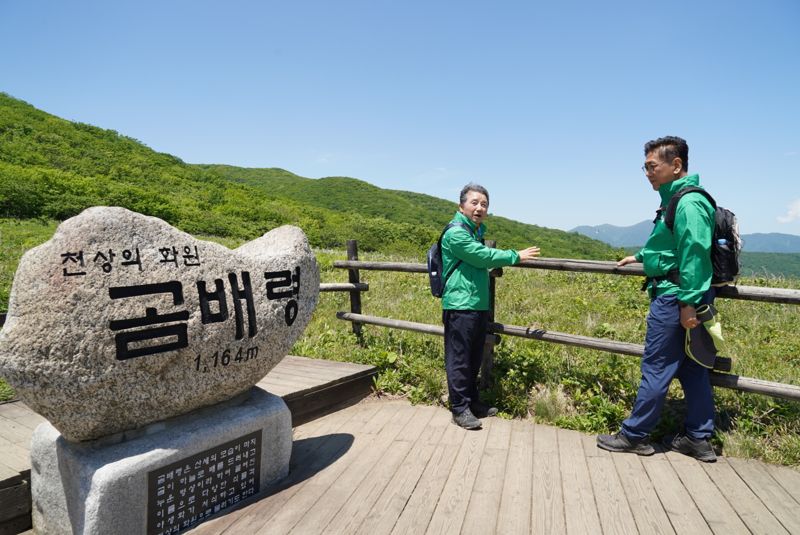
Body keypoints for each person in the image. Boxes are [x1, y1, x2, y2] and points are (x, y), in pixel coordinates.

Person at [597, 136, 718, 462]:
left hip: (676, 298)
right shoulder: (677, 199)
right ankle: (698, 437)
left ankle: (635, 436)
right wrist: (639, 256)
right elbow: (671, 246)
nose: (647, 173)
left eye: (652, 166)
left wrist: (687, 304)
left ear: (675, 165)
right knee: (693, 369)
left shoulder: (688, 203)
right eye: (645, 167)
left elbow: (694, 253)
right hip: (685, 296)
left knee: (657, 367)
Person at [441, 183, 541, 429]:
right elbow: (481, 255)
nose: (479, 208)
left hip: (476, 303)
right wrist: (515, 255)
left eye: (484, 204)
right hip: (460, 304)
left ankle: (472, 402)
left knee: (474, 357)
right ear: (461, 206)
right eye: (474, 203)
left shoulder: (474, 231)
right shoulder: (456, 233)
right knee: (460, 359)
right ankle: (459, 408)